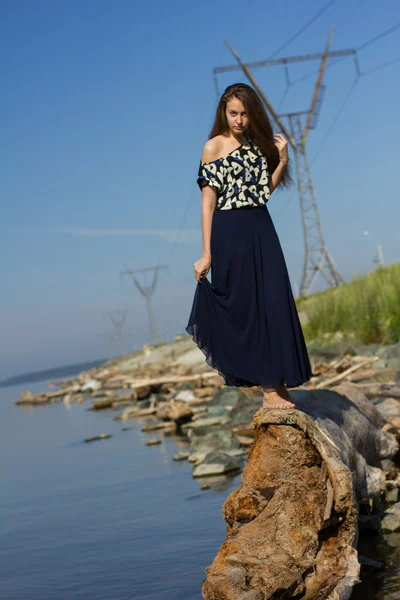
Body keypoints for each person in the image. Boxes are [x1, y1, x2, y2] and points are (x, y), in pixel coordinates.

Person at [186, 83, 313, 409]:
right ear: (224, 113)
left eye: (244, 113)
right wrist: (206, 253)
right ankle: (269, 390)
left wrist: (282, 161)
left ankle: (279, 384)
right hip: (230, 231)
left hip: (261, 227)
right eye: (233, 113)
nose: (239, 119)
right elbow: (207, 204)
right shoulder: (213, 147)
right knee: (248, 305)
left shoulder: (257, 146)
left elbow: (261, 193)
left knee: (274, 300)